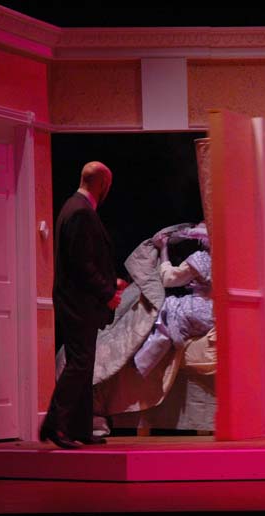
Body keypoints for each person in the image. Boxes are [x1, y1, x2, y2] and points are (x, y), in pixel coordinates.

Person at [39, 161, 125, 449]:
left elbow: (83, 259)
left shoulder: (73, 208)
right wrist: (107, 292)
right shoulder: (81, 212)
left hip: (77, 301)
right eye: (108, 186)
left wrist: (110, 282)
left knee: (83, 364)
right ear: (102, 184)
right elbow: (82, 264)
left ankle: (79, 427)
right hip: (78, 303)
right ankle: (55, 425)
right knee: (80, 363)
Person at [133, 228, 213, 378]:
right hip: (214, 317)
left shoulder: (203, 259)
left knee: (165, 310)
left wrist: (163, 248)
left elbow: (168, 278)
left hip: (199, 310)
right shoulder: (231, 260)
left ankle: (141, 363)